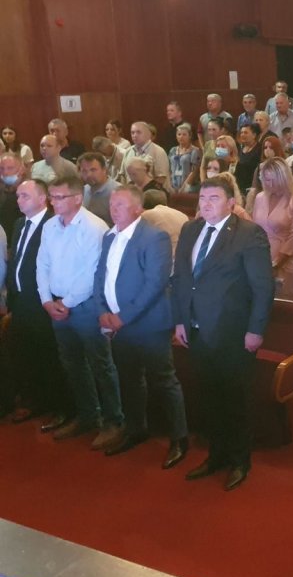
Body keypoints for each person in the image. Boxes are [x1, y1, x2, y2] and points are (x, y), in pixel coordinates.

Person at [171, 178, 274, 491]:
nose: (206, 203)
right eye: (202, 198)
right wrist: (180, 321)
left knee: (235, 398)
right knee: (208, 396)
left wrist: (255, 330)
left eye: (214, 198)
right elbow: (181, 278)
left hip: (233, 332)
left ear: (231, 202)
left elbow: (263, 287)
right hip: (196, 329)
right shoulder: (190, 229)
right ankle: (216, 455)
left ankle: (240, 460)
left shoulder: (248, 233)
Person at [93, 186, 188, 468]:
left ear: (137, 208)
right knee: (129, 379)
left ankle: (179, 438)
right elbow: (100, 277)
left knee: (164, 380)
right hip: (117, 323)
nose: (114, 209)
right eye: (112, 204)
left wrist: (122, 317)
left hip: (148, 324)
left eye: (120, 205)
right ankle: (136, 429)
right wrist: (102, 311)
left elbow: (155, 284)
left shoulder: (154, 236)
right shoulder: (109, 236)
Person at [36, 176, 124, 448]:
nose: (53, 202)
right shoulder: (50, 225)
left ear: (77, 198)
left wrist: (66, 303)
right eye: (51, 196)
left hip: (85, 306)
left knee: (101, 364)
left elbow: (92, 273)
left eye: (59, 197)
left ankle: (114, 421)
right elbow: (42, 264)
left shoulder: (93, 227)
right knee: (72, 363)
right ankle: (88, 415)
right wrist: (46, 300)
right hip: (56, 304)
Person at [6, 179, 72, 432]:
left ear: (42, 198)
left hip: (42, 301)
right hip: (20, 300)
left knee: (49, 355)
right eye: (18, 196)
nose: (18, 200)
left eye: (25, 195)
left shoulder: (53, 224)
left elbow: (57, 265)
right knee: (26, 353)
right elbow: (17, 261)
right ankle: (35, 400)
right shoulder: (19, 224)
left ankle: (60, 407)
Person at [251, 157, 293, 302]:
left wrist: (275, 265)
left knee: (283, 309)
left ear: (282, 178)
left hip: (286, 263)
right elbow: (254, 230)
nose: (268, 184)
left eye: (271, 180)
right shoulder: (260, 197)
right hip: (261, 261)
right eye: (265, 180)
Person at [79, 151, 119, 227]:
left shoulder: (118, 192)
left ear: (104, 170)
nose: (88, 175)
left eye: (93, 170)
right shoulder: (83, 190)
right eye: (84, 171)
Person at [127, 121, 171, 189]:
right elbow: (123, 175)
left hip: (154, 193)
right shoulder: (128, 152)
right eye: (132, 133)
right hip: (132, 192)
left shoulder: (159, 151)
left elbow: (161, 178)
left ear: (148, 134)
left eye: (138, 132)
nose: (135, 135)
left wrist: (142, 190)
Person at [169, 124, 202, 194]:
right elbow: (169, 169)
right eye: (179, 134)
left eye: (184, 134)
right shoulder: (173, 150)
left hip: (188, 186)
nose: (181, 137)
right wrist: (169, 184)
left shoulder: (195, 151)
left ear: (190, 136)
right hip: (173, 185)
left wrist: (184, 186)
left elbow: (194, 171)